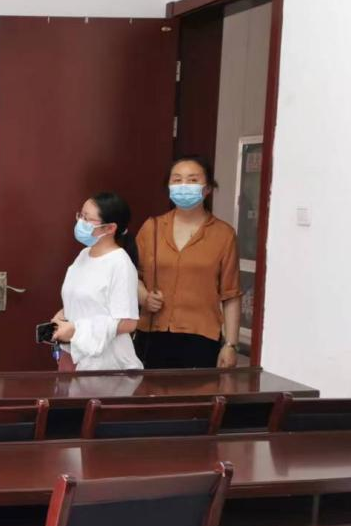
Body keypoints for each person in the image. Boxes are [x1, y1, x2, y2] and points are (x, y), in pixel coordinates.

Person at [135, 155, 241, 369]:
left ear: (207, 188)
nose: (183, 186)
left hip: (201, 338)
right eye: (177, 180)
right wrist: (144, 297)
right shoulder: (152, 228)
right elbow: (132, 276)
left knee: (196, 391)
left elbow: (231, 294)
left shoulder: (224, 234)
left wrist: (231, 344)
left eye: (192, 180)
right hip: (152, 334)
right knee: (147, 390)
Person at [51, 191, 141, 371]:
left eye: (87, 219)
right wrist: (63, 314)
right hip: (72, 353)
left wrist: (77, 330)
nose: (80, 223)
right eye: (80, 216)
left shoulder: (120, 264)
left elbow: (128, 322)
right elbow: (88, 300)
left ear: (110, 228)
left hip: (104, 361)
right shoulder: (84, 254)